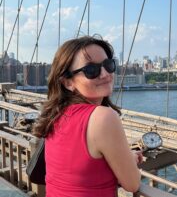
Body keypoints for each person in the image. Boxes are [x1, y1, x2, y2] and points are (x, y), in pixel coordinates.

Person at [33, 35, 142, 197]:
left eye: (108, 65)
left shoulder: (56, 114)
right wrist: (130, 162)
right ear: (68, 82)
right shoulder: (104, 118)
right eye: (91, 70)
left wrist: (125, 158)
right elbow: (132, 184)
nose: (105, 74)